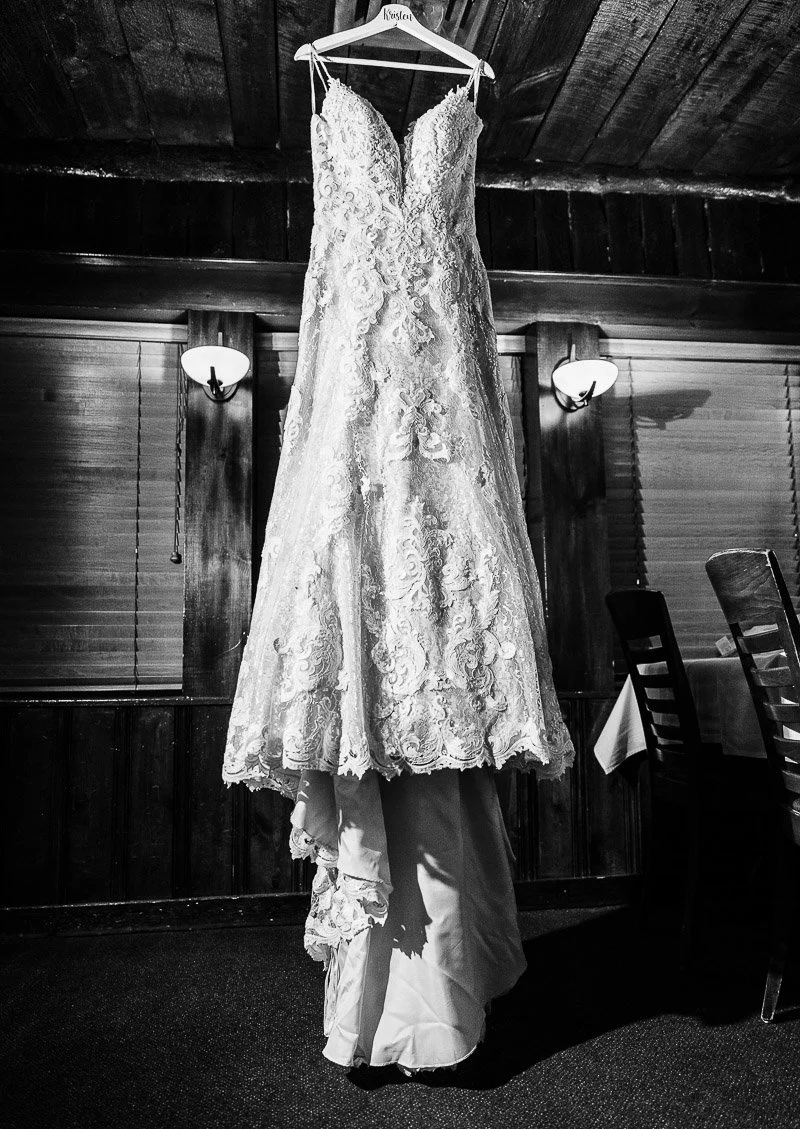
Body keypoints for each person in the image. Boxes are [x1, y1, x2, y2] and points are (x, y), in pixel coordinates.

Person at [222, 46, 574, 1073]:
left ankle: (431, 998)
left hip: (447, 420)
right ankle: (384, 1005)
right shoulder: (330, 96)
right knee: (363, 644)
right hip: (353, 419)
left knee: (442, 679)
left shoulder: (465, 99)